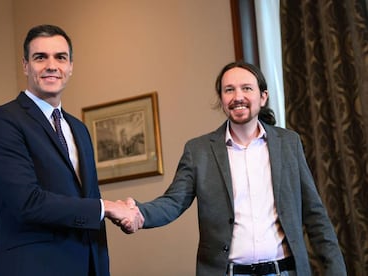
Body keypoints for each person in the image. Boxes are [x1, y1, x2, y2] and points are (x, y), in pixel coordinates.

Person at [121, 61, 347, 275]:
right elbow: (173, 202)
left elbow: (314, 214)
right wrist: (139, 213)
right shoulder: (198, 151)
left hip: (285, 271)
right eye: (229, 90)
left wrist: (336, 270)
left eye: (247, 88)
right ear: (221, 99)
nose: (238, 97)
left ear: (263, 97)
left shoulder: (289, 143)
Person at [0, 24, 143, 276]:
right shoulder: (2, 121)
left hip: (89, 265)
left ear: (70, 67)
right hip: (33, 267)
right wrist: (108, 207)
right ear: (25, 65)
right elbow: (27, 202)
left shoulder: (78, 128)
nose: (52, 65)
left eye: (60, 57)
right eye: (40, 57)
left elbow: (84, 198)